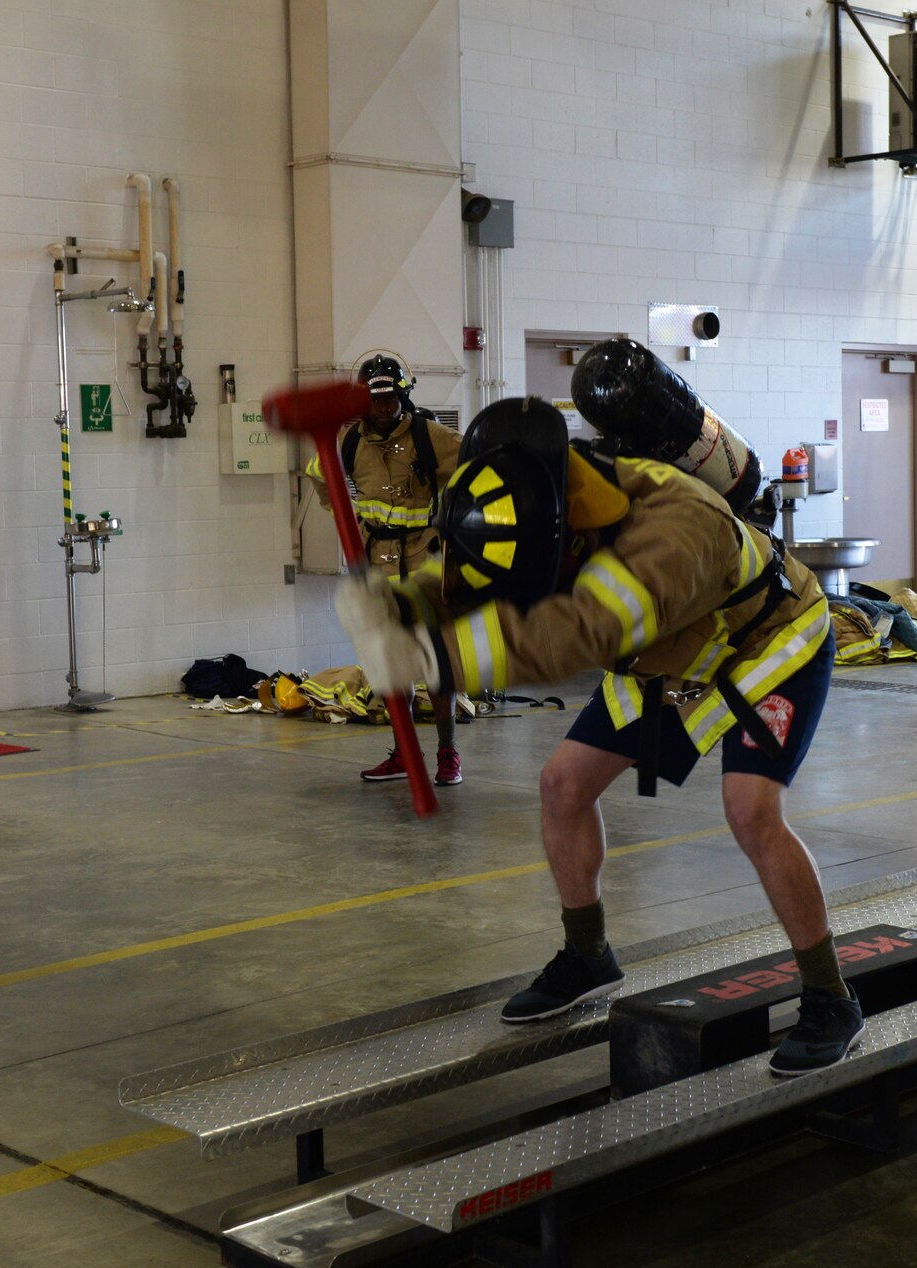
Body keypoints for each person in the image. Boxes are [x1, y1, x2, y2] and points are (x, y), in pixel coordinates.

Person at [337, 398, 859, 1075]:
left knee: (751, 811)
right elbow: (485, 573)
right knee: (562, 784)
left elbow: (583, 630)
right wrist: (403, 601)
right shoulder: (539, 493)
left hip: (765, 642)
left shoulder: (675, 532)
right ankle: (588, 954)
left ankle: (829, 995)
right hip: (668, 651)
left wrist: (438, 660)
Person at [305, 354, 466, 786]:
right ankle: (403, 755)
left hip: (426, 564)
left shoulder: (429, 435)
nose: (384, 406)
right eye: (376, 399)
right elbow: (319, 473)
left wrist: (456, 516)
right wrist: (349, 514)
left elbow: (473, 465)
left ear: (403, 395)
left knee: (437, 664)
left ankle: (448, 755)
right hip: (378, 567)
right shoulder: (350, 443)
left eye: (391, 397)